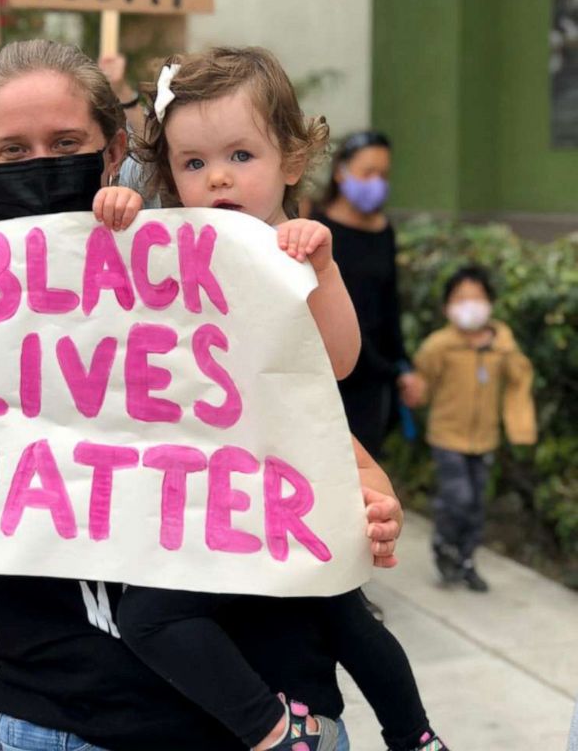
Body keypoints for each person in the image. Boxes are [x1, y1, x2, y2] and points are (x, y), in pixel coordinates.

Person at [0, 40, 405, 751]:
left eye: (66, 142)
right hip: (64, 724)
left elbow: (303, 427)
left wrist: (371, 499)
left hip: (281, 712)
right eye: (13, 150)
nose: (40, 162)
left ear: (115, 150)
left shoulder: (211, 270)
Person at [95, 48, 447, 751]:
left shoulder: (298, 249)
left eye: (240, 154)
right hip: (204, 490)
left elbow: (341, 358)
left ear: (291, 160)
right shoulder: (162, 245)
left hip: (286, 472)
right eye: (192, 164)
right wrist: (121, 209)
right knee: (150, 620)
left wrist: (321, 265)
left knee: (347, 617)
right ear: (170, 178)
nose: (218, 175)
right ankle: (270, 728)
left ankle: (415, 735)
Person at [403, 264, 537, 592]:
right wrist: (411, 389)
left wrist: (503, 344)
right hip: (448, 436)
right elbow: (422, 383)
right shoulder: (440, 345)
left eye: (477, 298)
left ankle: (466, 560)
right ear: (448, 306)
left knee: (476, 504)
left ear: (490, 303)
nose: (469, 305)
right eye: (461, 298)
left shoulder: (501, 345)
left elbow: (521, 378)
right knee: (457, 496)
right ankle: (444, 544)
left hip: (485, 438)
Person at [311, 131, 415, 460]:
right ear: (341, 172)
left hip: (373, 379)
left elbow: (389, 305)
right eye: (368, 172)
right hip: (324, 371)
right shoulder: (314, 229)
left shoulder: (384, 232)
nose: (377, 183)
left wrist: (402, 366)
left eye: (383, 175)